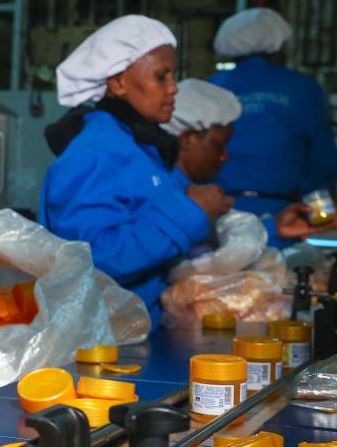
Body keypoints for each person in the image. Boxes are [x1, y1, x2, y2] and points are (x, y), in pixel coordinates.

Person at [39, 16, 232, 328]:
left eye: (173, 77)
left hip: (144, 328)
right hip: (105, 340)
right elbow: (90, 260)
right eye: (161, 77)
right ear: (117, 83)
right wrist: (190, 212)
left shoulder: (140, 148)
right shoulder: (94, 153)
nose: (173, 90)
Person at [207, 7, 337, 246]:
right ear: (278, 46)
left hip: (213, 214)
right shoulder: (301, 88)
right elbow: (325, 164)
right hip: (280, 216)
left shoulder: (208, 88)